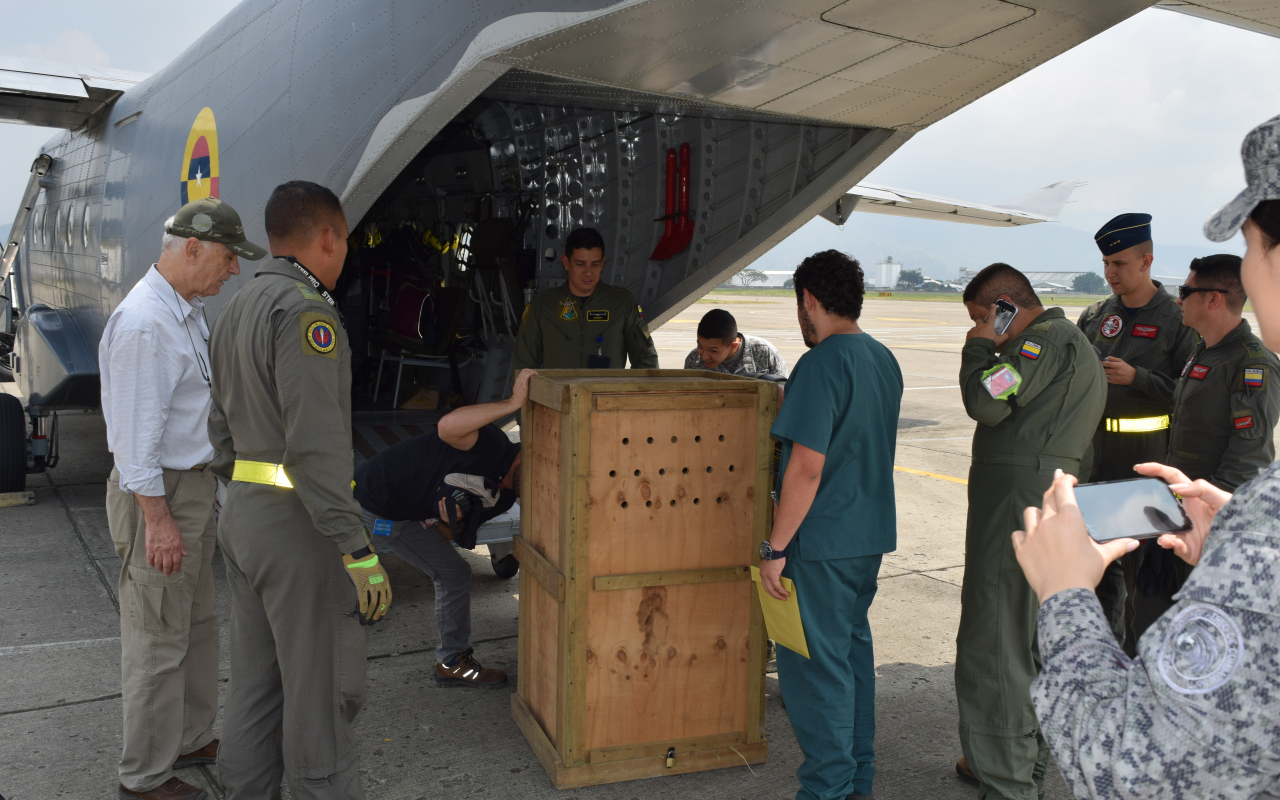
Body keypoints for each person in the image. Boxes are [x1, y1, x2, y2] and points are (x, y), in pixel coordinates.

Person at [1014, 111, 1280, 800]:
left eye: (1252, 249)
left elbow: (1139, 765)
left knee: (1143, 610)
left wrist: (1062, 598)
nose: (1111, 272)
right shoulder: (1096, 317)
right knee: (1126, 607)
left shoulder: (1194, 333)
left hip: (1157, 488)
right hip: (1124, 482)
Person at [208, 181, 391, 800]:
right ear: (329, 238)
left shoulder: (237, 306)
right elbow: (315, 448)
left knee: (256, 688)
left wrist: (244, 493)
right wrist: (356, 548)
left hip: (243, 517)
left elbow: (219, 431)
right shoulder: (308, 313)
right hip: (298, 528)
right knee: (321, 695)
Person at [99, 198, 263, 800]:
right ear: (192, 248)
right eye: (228, 257)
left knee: (195, 624)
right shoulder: (145, 324)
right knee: (157, 636)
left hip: (190, 488)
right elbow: (134, 442)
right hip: (160, 494)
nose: (234, 270)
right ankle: (144, 777)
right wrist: (158, 521)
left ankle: (190, 738)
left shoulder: (185, 311)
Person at [953, 264, 1106, 800]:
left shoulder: (1040, 344)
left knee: (994, 643)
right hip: (1041, 501)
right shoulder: (1069, 344)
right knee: (1025, 644)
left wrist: (978, 346)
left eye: (983, 316)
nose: (979, 326)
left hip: (1015, 506)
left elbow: (986, 402)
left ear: (1005, 307)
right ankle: (1023, 777)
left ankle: (1008, 784)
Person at [758, 250, 902, 800]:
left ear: (809, 300)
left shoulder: (820, 364)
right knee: (851, 660)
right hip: (866, 539)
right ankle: (856, 782)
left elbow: (807, 467)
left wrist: (775, 549)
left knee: (815, 673)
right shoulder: (882, 357)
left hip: (820, 544)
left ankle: (826, 790)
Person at [1117, 254, 1280, 645]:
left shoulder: (1252, 364)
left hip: (1206, 526)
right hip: (1176, 515)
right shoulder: (1202, 352)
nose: (1178, 299)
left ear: (1213, 299)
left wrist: (1201, 518)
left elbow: (1248, 458)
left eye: (1186, 291)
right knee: (1146, 623)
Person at [353, 369, 534, 688]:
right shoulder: (492, 445)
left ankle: (452, 662)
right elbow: (447, 426)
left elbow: (453, 536)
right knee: (343, 589)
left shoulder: (503, 498)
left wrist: (451, 521)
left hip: (408, 516)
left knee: (454, 573)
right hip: (373, 502)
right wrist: (513, 402)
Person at [1076, 214, 1196, 648]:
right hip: (1094, 461)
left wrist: (1139, 378)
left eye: (1120, 264)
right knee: (1096, 573)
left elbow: (1191, 393)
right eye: (1106, 264)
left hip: (1142, 467)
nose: (1110, 273)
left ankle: (1138, 664)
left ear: (1147, 261)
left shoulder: (1177, 321)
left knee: (1143, 581)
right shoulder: (1094, 316)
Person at [512, 227, 658, 372]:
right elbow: (523, 366)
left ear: (603, 262)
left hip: (605, 389)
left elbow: (646, 360)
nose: (588, 272)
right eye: (580, 264)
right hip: (558, 388)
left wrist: (630, 387)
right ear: (566, 262)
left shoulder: (623, 303)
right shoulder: (542, 305)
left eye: (595, 264)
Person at [683, 307, 787, 375]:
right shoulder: (693, 361)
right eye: (700, 346)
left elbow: (784, 392)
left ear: (734, 346)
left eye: (713, 351)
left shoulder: (765, 353)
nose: (704, 357)